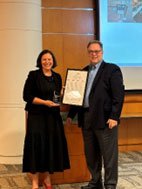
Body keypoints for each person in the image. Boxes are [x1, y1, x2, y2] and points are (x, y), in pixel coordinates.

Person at [66, 40, 125, 189]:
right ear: (88, 53)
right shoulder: (83, 72)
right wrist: (70, 115)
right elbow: (77, 96)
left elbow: (118, 96)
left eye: (96, 51)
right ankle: (95, 182)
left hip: (105, 120)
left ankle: (110, 184)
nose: (94, 54)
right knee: (91, 155)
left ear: (102, 52)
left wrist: (114, 116)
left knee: (109, 156)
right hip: (86, 119)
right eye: (91, 52)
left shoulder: (112, 70)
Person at [22, 49, 70, 189]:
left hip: (52, 118)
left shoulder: (57, 77)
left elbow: (56, 96)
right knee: (36, 148)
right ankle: (35, 181)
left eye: (49, 59)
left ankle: (47, 180)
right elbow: (27, 96)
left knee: (50, 147)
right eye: (44, 59)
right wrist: (45, 102)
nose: (47, 62)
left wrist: (65, 92)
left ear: (53, 61)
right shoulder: (33, 75)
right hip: (36, 117)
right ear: (40, 61)